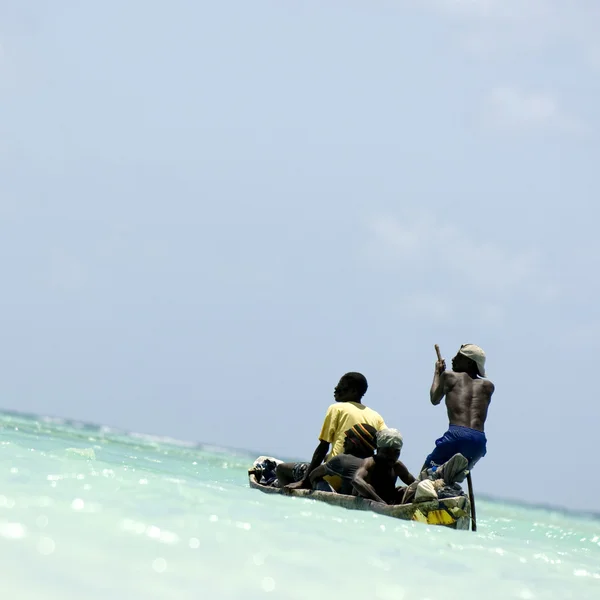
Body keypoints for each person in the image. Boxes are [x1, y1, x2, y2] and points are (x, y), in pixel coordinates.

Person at [276, 372, 386, 490]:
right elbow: (384, 448)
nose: (336, 388)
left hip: (331, 478)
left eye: (341, 386)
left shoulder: (336, 408)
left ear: (354, 391)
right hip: (357, 480)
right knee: (327, 457)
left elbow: (323, 447)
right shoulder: (376, 416)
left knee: (281, 469)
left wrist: (305, 481)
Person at [423, 343, 495, 472]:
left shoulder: (449, 376)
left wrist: (437, 373)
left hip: (457, 435)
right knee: (453, 475)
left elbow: (434, 399)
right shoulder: (488, 386)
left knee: (426, 473)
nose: (453, 359)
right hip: (478, 441)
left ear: (469, 363)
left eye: (459, 356)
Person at [308, 423, 378, 494]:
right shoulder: (376, 461)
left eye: (348, 437)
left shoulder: (343, 459)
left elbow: (313, 475)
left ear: (355, 444)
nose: (344, 439)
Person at [351, 428, 416, 504]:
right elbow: (356, 480)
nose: (392, 456)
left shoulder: (397, 466)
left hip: (387, 501)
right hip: (371, 500)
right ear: (378, 450)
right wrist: (380, 502)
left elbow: (416, 484)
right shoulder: (370, 462)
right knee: (367, 486)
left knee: (407, 490)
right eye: (387, 451)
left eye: (396, 452)